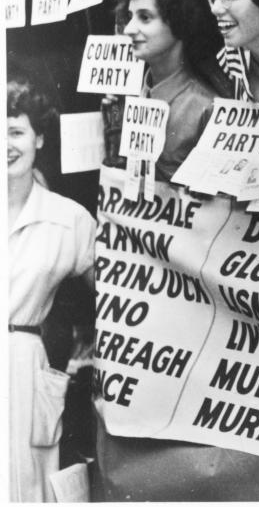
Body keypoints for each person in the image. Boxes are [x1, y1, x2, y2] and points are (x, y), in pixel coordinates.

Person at [8, 74, 96, 502]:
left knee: (26, 486)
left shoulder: (69, 219)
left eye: (16, 131)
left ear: (39, 138)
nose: (6, 144)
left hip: (25, 368)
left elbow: (118, 296)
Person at [115, 0, 233, 180]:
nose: (129, 29)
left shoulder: (208, 107)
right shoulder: (135, 96)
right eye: (130, 16)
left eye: (145, 17)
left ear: (179, 23)